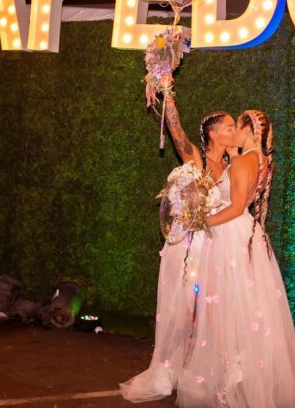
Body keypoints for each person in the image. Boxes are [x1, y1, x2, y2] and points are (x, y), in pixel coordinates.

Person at [173, 110, 295, 407]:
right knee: (248, 308)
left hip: (231, 234)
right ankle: (245, 377)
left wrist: (203, 223)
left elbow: (235, 208)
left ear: (248, 130)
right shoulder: (260, 159)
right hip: (249, 234)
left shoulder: (241, 161)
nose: (232, 129)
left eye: (237, 125)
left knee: (225, 309)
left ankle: (229, 381)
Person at [119, 92, 235, 403]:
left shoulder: (233, 162)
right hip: (192, 246)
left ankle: (207, 370)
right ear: (213, 133)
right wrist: (168, 95)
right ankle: (176, 369)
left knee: (216, 310)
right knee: (188, 308)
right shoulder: (196, 158)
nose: (233, 130)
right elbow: (176, 131)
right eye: (228, 126)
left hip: (220, 246)